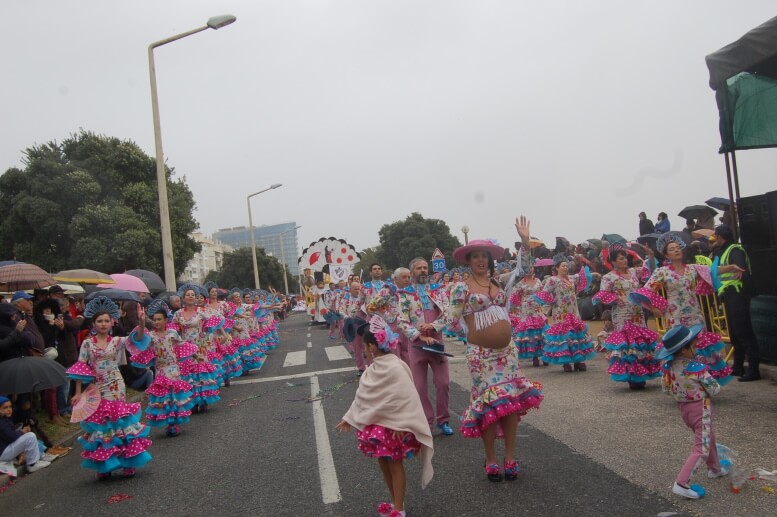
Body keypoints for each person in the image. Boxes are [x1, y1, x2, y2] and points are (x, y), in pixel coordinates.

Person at [447, 217, 543, 482]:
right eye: (475, 256)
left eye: (484, 256)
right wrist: (469, 333)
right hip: (481, 357)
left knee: (509, 406)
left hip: (507, 354)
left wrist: (525, 241)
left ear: (490, 261)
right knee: (489, 406)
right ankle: (490, 459)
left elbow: (524, 270)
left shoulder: (500, 283)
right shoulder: (461, 288)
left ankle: (510, 458)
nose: (480, 260)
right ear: (469, 261)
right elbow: (450, 319)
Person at [335, 316, 433, 517]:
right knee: (383, 463)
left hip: (394, 427)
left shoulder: (395, 366)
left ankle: (399, 508)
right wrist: (349, 417)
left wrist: (401, 423)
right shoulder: (373, 369)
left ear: (372, 346)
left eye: (365, 345)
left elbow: (406, 396)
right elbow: (363, 396)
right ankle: (396, 502)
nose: (364, 349)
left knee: (395, 465)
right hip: (378, 426)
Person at [67, 297, 152, 479]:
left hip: (116, 385)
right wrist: (78, 392)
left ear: (112, 322)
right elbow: (81, 368)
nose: (103, 324)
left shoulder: (117, 341)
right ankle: (106, 463)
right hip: (97, 387)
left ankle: (127, 461)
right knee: (103, 424)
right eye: (100, 321)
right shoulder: (88, 344)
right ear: (94, 323)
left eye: (106, 320)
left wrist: (142, 322)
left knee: (119, 422)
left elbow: (137, 338)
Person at [638, 233, 737, 383]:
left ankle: (703, 381)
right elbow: (646, 291)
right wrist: (653, 308)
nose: (677, 250)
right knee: (680, 350)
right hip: (674, 316)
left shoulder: (692, 269)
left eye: (678, 247)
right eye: (672, 249)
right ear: (666, 254)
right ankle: (682, 383)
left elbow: (712, 271)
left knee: (699, 347)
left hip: (694, 315)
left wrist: (731, 267)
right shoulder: (662, 272)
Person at [658, 325, 728, 500]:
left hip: (684, 410)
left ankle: (715, 469)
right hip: (701, 408)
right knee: (701, 447)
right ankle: (682, 482)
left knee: (707, 436)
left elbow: (666, 389)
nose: (696, 348)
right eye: (694, 345)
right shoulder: (696, 367)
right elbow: (715, 389)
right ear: (684, 348)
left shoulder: (668, 367)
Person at [397, 257, 453, 436]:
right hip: (416, 346)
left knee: (443, 383)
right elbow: (401, 321)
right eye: (419, 268)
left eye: (425, 268)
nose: (423, 271)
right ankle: (427, 421)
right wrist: (419, 335)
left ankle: (443, 420)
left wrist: (433, 327)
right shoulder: (404, 294)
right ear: (412, 272)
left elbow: (448, 313)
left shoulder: (437, 290)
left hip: (436, 344)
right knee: (420, 387)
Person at [593, 244, 661, 389]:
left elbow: (653, 272)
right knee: (628, 344)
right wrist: (614, 298)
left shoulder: (634, 273)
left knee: (640, 343)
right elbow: (603, 294)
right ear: (614, 262)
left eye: (625, 258)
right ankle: (632, 376)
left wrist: (651, 256)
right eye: (621, 259)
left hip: (638, 313)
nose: (624, 261)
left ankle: (642, 372)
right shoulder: (608, 277)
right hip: (621, 315)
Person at [129, 300, 195, 437]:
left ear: (166, 320)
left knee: (174, 395)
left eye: (159, 319)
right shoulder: (151, 336)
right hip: (160, 369)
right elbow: (139, 338)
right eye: (155, 320)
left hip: (173, 368)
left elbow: (181, 344)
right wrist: (141, 322)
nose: (157, 322)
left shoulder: (172, 333)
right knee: (164, 396)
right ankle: (170, 422)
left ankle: (175, 423)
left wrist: (194, 353)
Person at [711, 225, 761, 381]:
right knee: (735, 333)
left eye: (715, 237)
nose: (714, 240)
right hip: (730, 295)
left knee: (743, 331)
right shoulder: (724, 251)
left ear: (720, 237)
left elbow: (740, 271)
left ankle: (754, 369)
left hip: (738, 294)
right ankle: (738, 366)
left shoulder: (735, 250)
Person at [535, 255, 599, 372]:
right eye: (563, 266)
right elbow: (544, 293)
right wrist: (550, 301)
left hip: (573, 311)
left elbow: (582, 276)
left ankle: (578, 361)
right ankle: (566, 362)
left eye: (566, 266)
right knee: (564, 336)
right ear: (557, 268)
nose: (565, 268)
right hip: (561, 312)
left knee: (576, 334)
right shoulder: (552, 280)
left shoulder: (571, 278)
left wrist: (595, 274)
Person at [508, 266, 548, 367]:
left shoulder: (538, 281)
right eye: (527, 268)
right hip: (526, 308)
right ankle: (534, 356)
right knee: (530, 331)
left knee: (541, 331)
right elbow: (513, 297)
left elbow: (543, 293)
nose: (530, 270)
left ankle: (544, 355)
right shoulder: (520, 283)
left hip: (538, 308)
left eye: (531, 268)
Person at [0, 396, 50, 474]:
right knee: (30, 436)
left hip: (5, 450)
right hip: (3, 452)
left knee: (28, 437)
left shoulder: (5, 419)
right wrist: (22, 432)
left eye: (10, 406)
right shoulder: (1, 422)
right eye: (5, 407)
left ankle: (40, 456)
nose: (9, 409)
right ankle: (32, 464)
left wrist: (21, 432)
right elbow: (10, 437)